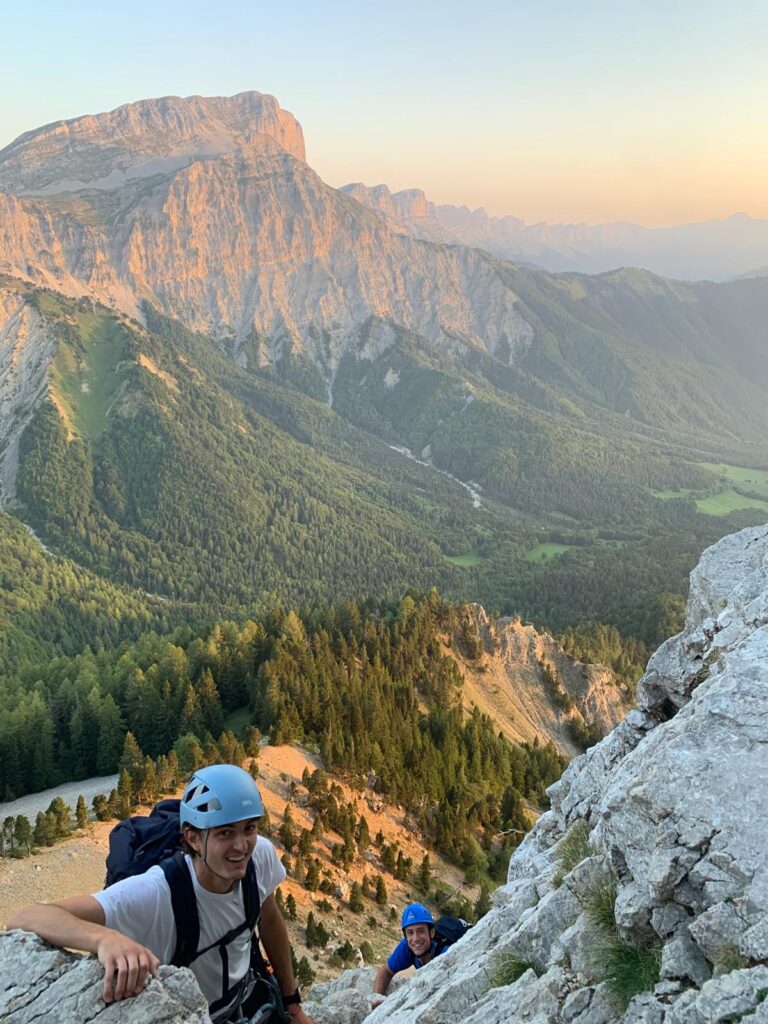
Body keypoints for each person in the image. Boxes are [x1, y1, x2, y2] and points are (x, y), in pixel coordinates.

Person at [9, 765, 315, 1024]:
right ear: (193, 838)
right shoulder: (156, 893)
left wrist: (293, 1003)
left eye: (249, 828)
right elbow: (26, 916)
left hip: (248, 997)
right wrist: (105, 939)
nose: (241, 846)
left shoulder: (259, 856)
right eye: (225, 832)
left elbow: (270, 919)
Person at [371, 902, 445, 1007]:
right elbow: (386, 970)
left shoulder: (444, 951)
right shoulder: (408, 946)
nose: (415, 939)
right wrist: (376, 998)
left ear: (432, 933)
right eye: (410, 932)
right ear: (405, 936)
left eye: (421, 931)